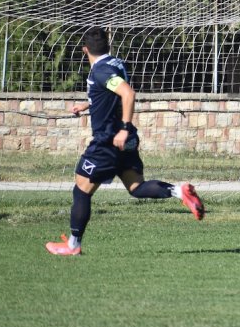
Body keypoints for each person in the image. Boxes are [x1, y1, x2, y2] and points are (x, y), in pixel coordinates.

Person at [45, 28, 205, 256]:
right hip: (126, 141)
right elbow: (111, 93)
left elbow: (127, 94)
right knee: (136, 187)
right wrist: (88, 104)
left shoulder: (100, 70)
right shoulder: (116, 63)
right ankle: (179, 191)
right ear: (108, 47)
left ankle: (73, 245)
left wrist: (124, 128)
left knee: (81, 189)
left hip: (109, 140)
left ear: (84, 50)